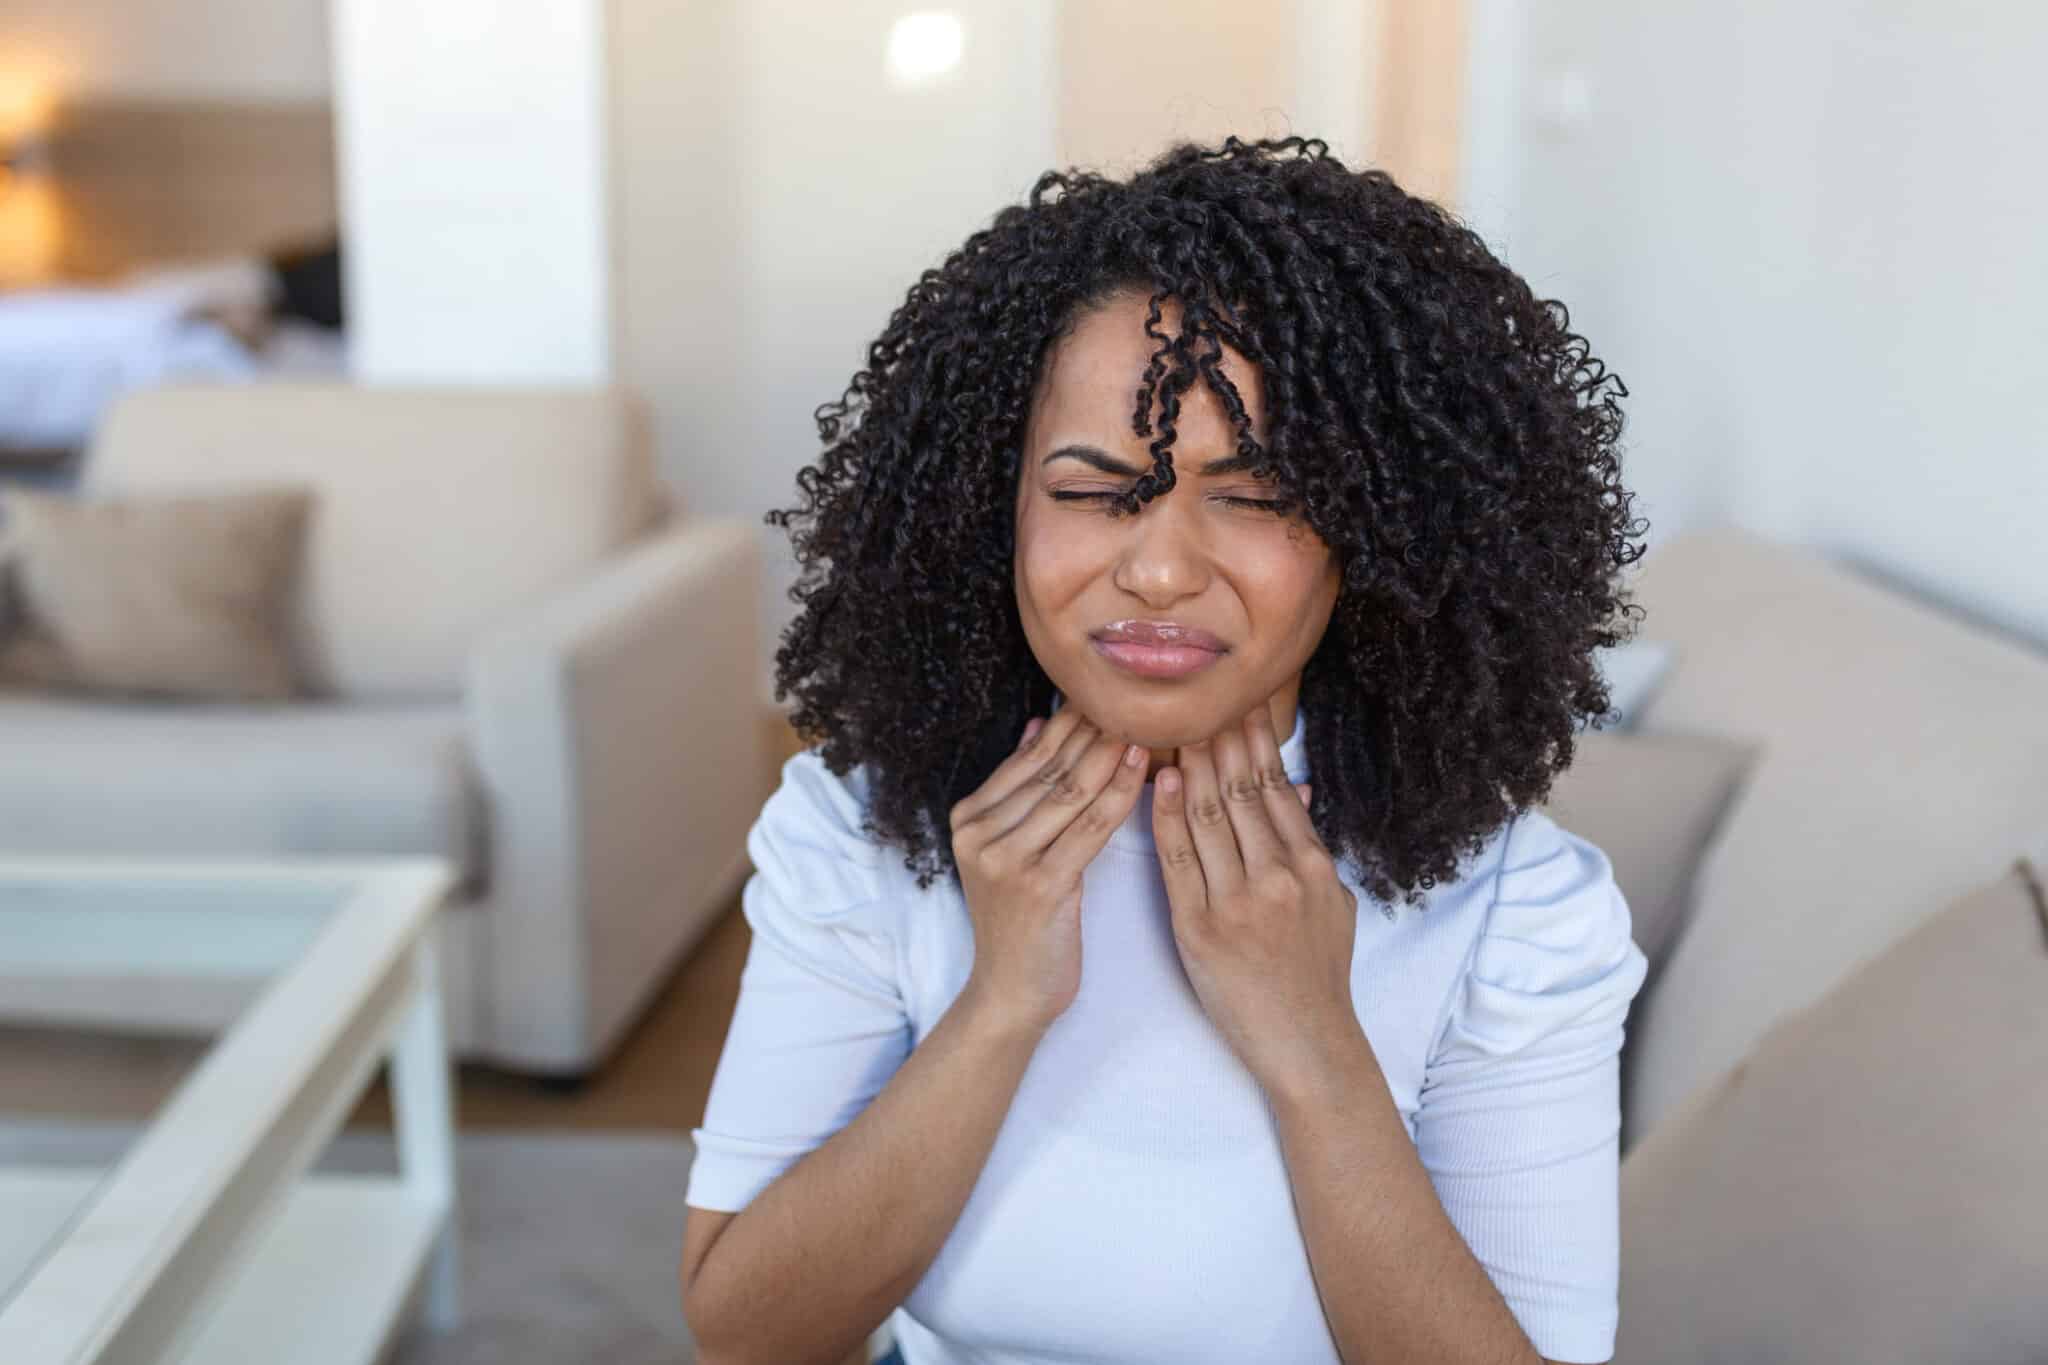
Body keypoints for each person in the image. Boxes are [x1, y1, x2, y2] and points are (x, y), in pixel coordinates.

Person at [678, 134, 1650, 1365]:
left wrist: (1311, 1041)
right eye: (1090, 491)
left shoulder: (1517, 909)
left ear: (1380, 537)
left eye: (1250, 499)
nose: (1155, 569)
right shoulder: (860, 827)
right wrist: (999, 1004)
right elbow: (742, 1331)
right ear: (993, 511)